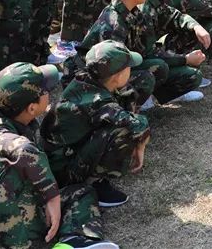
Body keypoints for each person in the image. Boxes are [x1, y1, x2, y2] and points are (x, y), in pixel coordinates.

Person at [0, 62, 115, 249]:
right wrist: (51, 196)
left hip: (1, 211)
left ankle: (74, 241)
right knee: (8, 170)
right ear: (31, 107)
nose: (50, 94)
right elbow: (22, 151)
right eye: (45, 91)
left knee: (81, 191)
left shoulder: (20, 120)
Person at [40, 41, 151, 211]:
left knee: (126, 101)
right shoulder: (95, 101)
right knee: (123, 130)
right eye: (128, 67)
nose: (131, 70)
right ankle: (95, 184)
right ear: (116, 76)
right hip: (62, 173)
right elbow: (138, 125)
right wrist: (140, 145)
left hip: (62, 155)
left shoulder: (88, 79)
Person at [71, 0, 159, 112]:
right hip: (91, 79)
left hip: (106, 69)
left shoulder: (129, 10)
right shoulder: (114, 25)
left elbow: (144, 47)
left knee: (157, 65)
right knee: (146, 78)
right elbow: (106, 71)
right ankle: (119, 112)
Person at [141, 0, 208, 103]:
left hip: (146, 55)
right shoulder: (145, 8)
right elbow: (150, 53)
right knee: (189, 75)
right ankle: (147, 98)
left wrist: (196, 26)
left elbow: (174, 15)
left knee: (189, 31)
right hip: (137, 65)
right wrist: (185, 59)